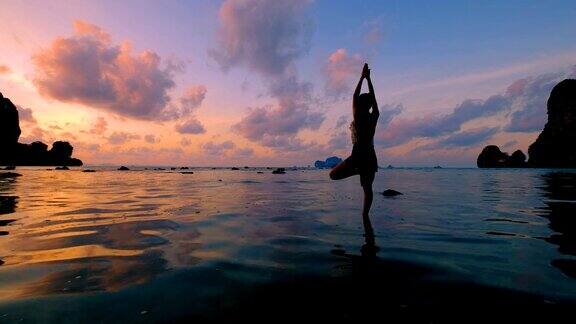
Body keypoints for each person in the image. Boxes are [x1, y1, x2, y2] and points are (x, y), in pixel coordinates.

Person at [330, 63, 379, 217]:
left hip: (358, 155)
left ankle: (357, 171)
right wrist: (368, 80)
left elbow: (354, 97)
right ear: (370, 106)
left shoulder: (358, 118)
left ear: (359, 104)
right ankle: (365, 217)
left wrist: (362, 78)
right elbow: (374, 100)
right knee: (367, 189)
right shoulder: (374, 117)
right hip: (369, 155)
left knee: (333, 175)